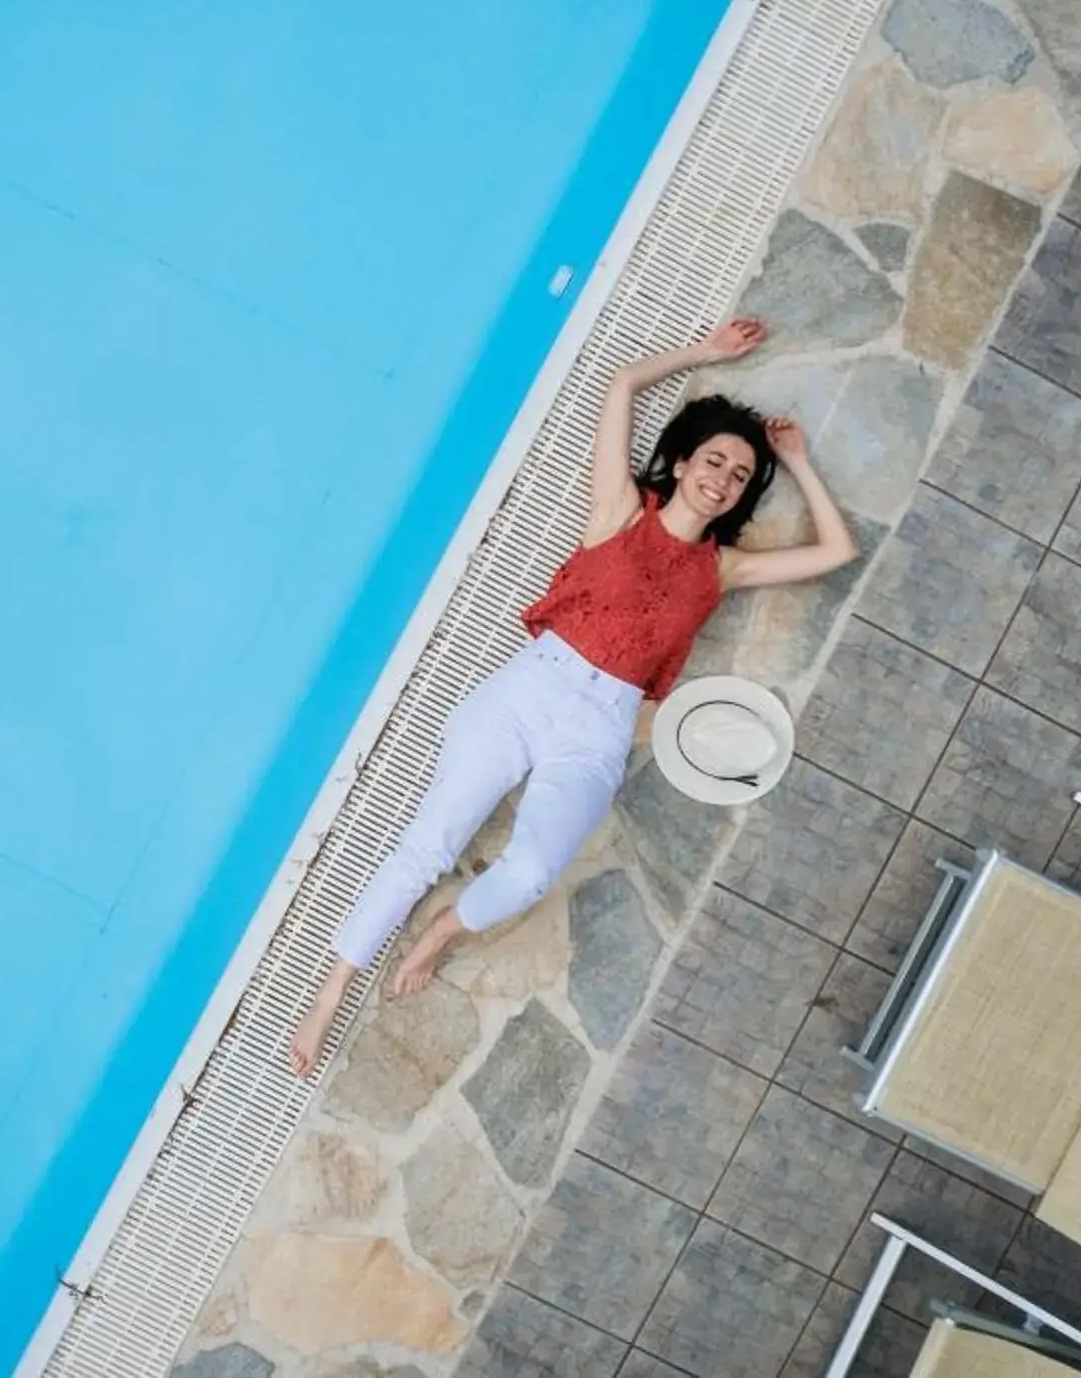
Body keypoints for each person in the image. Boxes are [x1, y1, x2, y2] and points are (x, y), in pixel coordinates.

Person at [286, 318, 858, 1078]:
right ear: (682, 461)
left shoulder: (723, 570)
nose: (721, 478)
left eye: (738, 476)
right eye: (713, 460)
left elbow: (837, 553)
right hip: (532, 687)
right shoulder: (620, 511)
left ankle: (443, 931)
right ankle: (329, 995)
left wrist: (796, 462)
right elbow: (620, 383)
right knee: (427, 845)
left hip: (601, 724)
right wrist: (703, 354)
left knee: (529, 874)